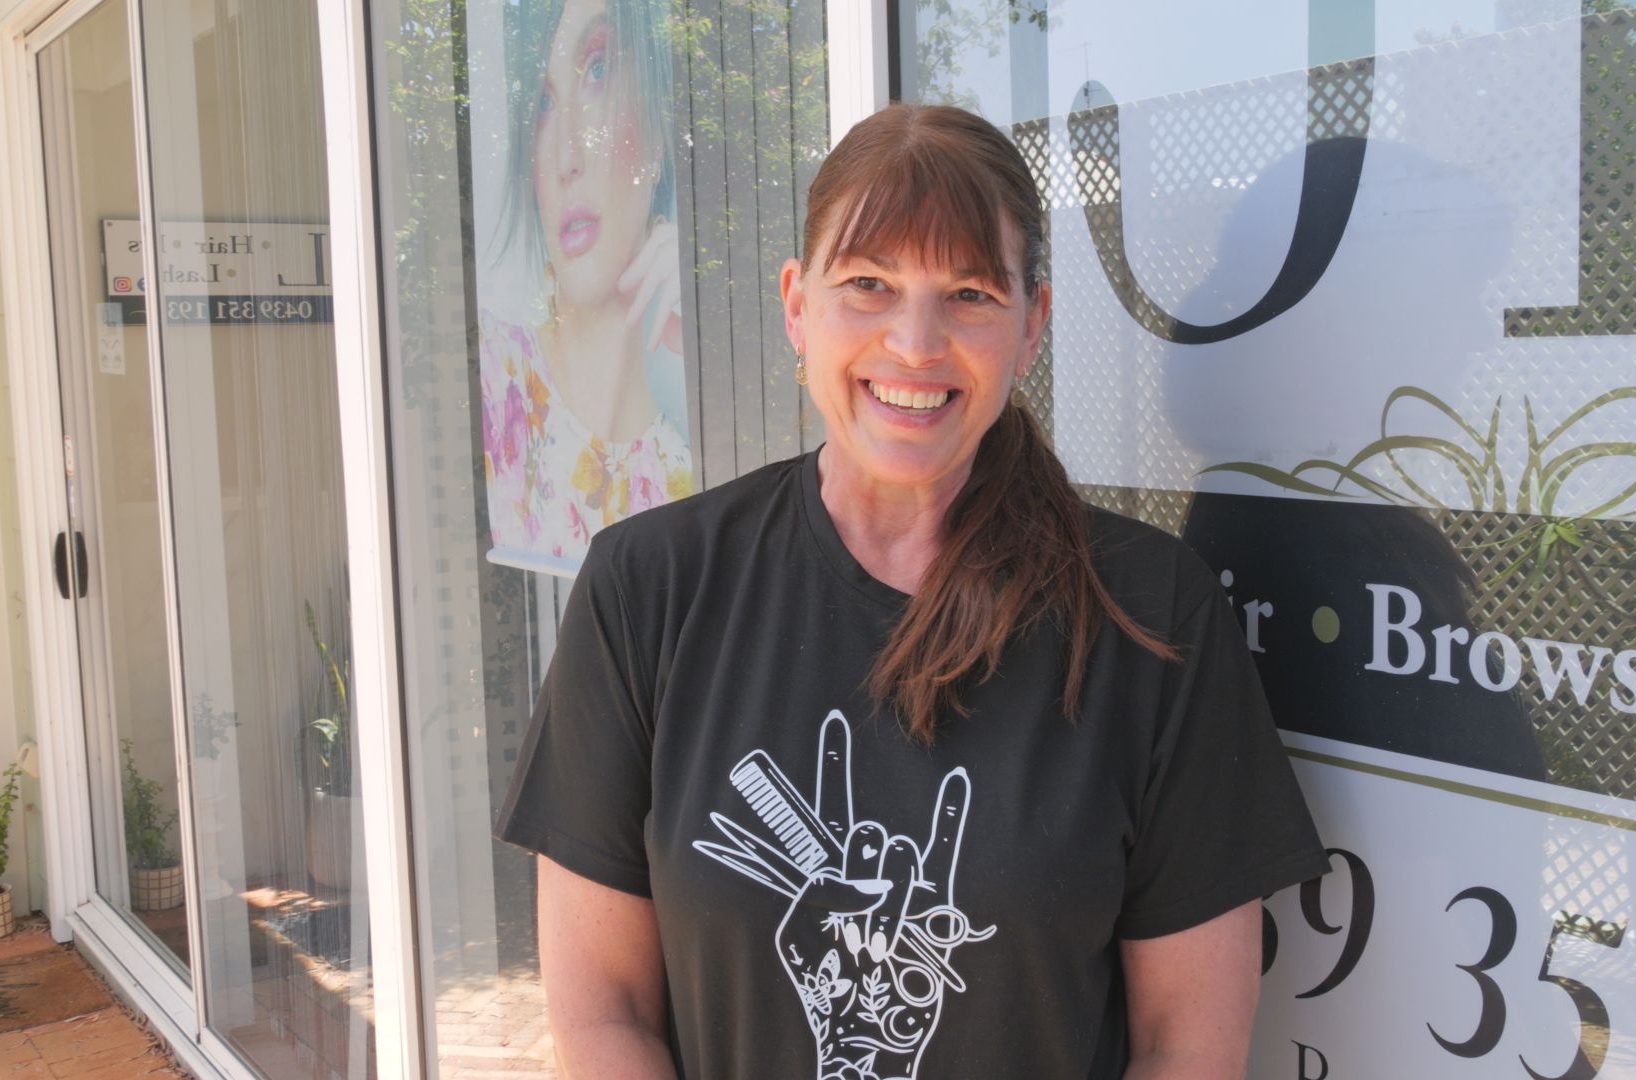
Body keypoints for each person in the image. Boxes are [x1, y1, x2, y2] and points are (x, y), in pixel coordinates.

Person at [496, 103, 1328, 1078]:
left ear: (1031, 326)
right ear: (798, 307)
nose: (916, 342)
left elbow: (1186, 1045)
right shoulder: (648, 590)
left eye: (969, 293)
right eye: (868, 285)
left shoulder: (1148, 616)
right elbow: (603, 1017)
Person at [479, 0, 693, 563]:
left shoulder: (685, 468)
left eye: (598, 70)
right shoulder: (497, 380)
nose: (567, 153)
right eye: (544, 104)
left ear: (660, 122)